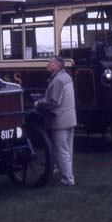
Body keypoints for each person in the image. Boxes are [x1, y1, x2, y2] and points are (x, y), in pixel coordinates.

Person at [35, 56, 77, 186]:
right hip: (70, 118)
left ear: (58, 65)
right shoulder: (67, 77)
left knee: (61, 150)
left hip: (59, 120)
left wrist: (38, 103)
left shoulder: (57, 80)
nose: (47, 64)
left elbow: (53, 101)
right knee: (67, 149)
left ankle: (68, 179)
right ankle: (67, 174)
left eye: (50, 62)